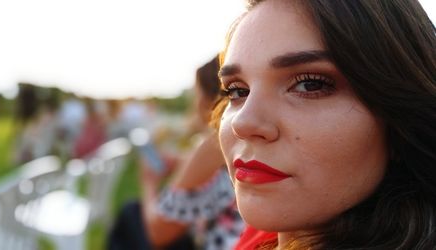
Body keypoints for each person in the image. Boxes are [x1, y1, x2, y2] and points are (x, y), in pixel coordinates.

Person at [213, 0, 436, 249]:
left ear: (401, 118)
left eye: (311, 84)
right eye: (237, 91)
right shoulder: (263, 236)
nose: (243, 122)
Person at [108, 55, 244, 250]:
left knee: (130, 214)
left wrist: (149, 182)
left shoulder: (215, 142)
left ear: (208, 100)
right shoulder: (239, 139)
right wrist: (183, 160)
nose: (194, 105)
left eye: (196, 95)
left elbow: (156, 233)